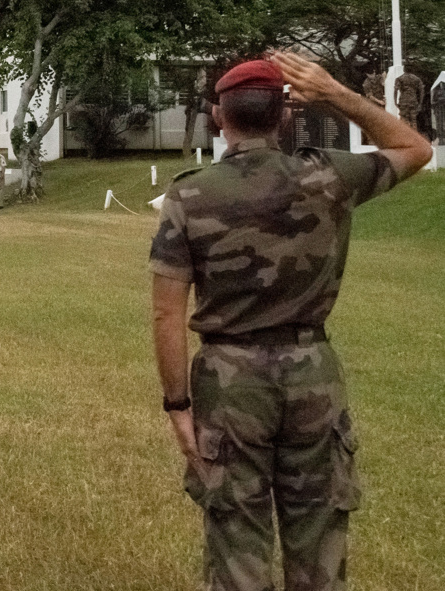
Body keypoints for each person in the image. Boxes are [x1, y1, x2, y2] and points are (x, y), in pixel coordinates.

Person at [150, 52, 431, 591]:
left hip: (230, 381)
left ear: (217, 116)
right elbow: (414, 147)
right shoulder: (329, 176)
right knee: (319, 539)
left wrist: (177, 404)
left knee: (237, 541)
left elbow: (167, 309)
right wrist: (333, 92)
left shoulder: (189, 194)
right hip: (312, 374)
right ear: (284, 117)